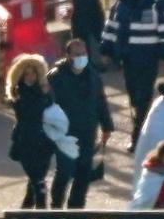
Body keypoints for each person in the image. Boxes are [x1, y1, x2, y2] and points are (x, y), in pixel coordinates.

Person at [101, 0, 164, 153]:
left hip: (148, 58)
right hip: (127, 58)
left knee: (143, 99)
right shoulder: (122, 1)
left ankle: (138, 137)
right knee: (134, 97)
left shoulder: (159, 2)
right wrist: (106, 50)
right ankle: (145, 131)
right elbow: (111, 26)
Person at [48, 38, 114, 209]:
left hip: (87, 132)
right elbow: (48, 105)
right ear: (68, 55)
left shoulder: (92, 75)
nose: (81, 57)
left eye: (84, 53)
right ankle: (56, 207)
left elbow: (100, 101)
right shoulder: (56, 77)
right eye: (77, 54)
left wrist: (107, 125)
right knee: (65, 172)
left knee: (83, 174)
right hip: (65, 134)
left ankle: (76, 211)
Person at [6, 54, 56, 209]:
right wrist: (44, 96)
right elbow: (28, 111)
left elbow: (51, 108)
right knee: (38, 182)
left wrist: (46, 94)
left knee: (36, 179)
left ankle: (25, 210)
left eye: (33, 73)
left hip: (44, 141)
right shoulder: (18, 92)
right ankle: (42, 213)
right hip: (25, 141)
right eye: (26, 73)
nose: (30, 76)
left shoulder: (44, 90)